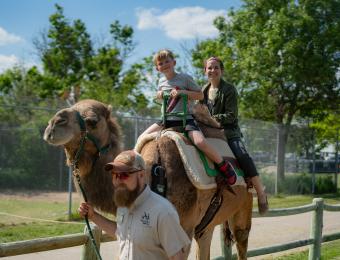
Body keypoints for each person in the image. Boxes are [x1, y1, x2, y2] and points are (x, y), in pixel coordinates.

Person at [140, 49, 237, 185]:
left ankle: (224, 166)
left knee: (200, 142)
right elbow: (159, 96)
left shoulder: (184, 78)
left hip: (185, 118)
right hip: (166, 119)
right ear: (157, 68)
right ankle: (135, 168)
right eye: (161, 63)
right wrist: (159, 94)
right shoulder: (161, 81)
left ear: (174, 62)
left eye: (167, 61)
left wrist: (182, 92)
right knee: (142, 138)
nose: (165, 64)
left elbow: (200, 95)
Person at [78, 150, 190, 260]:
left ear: (141, 175)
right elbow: (122, 233)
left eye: (124, 175)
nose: (117, 181)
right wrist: (93, 216)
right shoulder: (123, 205)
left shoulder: (163, 211)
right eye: (114, 175)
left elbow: (177, 257)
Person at [202, 56, 269, 215]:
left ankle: (261, 192)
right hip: (209, 132)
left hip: (228, 132)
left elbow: (231, 116)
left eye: (216, 67)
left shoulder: (229, 89)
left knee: (242, 155)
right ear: (205, 71)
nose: (213, 70)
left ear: (222, 70)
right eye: (209, 68)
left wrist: (210, 119)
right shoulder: (203, 91)